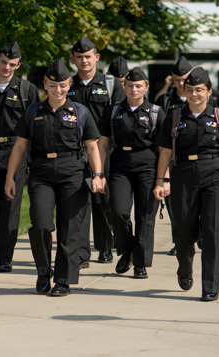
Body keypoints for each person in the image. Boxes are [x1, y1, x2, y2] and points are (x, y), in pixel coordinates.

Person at [5, 59, 105, 296]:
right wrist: (10, 177)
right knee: (40, 224)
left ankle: (63, 281)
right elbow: (19, 147)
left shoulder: (80, 112)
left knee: (69, 229)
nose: (57, 90)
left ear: (70, 84)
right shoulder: (33, 112)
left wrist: (99, 174)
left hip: (73, 172)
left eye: (62, 85)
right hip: (41, 173)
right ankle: (42, 272)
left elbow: (92, 146)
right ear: (45, 85)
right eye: (52, 85)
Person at [153, 67, 219, 302]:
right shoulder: (175, 117)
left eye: (200, 90)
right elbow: (164, 152)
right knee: (183, 232)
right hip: (183, 175)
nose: (195, 94)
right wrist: (161, 180)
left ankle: (210, 286)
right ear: (184, 90)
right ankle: (185, 268)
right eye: (191, 90)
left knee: (214, 231)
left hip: (215, 175)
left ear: (209, 91)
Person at [97, 67, 167, 279]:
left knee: (145, 216)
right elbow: (102, 144)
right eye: (130, 85)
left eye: (138, 86)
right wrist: (99, 173)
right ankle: (126, 250)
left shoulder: (156, 112)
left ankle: (140, 262)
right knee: (118, 211)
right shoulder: (114, 110)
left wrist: (164, 179)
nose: (134, 89)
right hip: (120, 165)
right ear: (124, 87)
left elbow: (165, 149)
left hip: (148, 165)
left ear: (146, 88)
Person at [0, 41, 40, 272]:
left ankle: (4, 257)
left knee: (11, 206)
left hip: (17, 152)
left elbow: (36, 127)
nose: (6, 68)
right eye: (3, 62)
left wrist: (34, 159)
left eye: (12, 64)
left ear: (18, 65)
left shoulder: (27, 90)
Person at [67, 36, 125, 267]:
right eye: (79, 57)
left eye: (88, 56)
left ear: (96, 58)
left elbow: (120, 118)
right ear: (72, 59)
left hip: (104, 150)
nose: (84, 60)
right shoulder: (67, 85)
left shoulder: (111, 84)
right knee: (79, 201)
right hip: (75, 151)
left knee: (103, 201)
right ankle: (81, 252)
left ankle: (105, 246)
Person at [155, 56, 193, 255]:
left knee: (197, 203)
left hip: (197, 158)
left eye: (184, 79)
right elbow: (160, 133)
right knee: (174, 204)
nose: (181, 84)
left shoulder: (203, 97)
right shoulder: (165, 100)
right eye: (177, 79)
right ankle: (179, 241)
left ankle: (197, 233)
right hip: (173, 158)